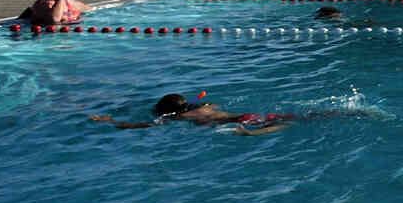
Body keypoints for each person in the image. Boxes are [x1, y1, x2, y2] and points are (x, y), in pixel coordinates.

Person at [89, 92, 292, 134]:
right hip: (244, 115)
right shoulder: (204, 107)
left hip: (242, 122)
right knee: (295, 119)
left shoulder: (176, 116)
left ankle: (252, 133)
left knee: (281, 124)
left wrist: (110, 120)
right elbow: (211, 101)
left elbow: (145, 125)